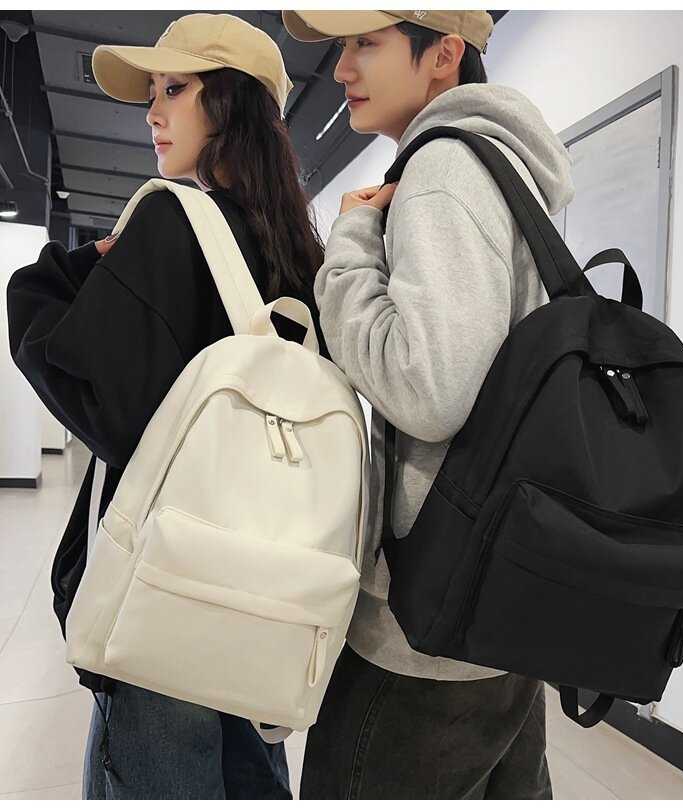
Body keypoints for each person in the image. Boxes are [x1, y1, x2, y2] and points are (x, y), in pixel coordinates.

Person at [7, 12, 327, 800]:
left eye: (174, 90)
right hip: (265, 589)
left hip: (169, 587)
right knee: (249, 776)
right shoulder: (299, 252)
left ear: (231, 103)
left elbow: (99, 401)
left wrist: (60, 274)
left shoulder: (171, 220)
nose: (152, 112)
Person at [282, 10, 574, 800]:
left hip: (426, 629)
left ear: (443, 55)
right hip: (499, 598)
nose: (343, 70)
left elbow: (428, 389)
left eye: (365, 44)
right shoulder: (507, 171)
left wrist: (350, 243)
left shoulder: (443, 170)